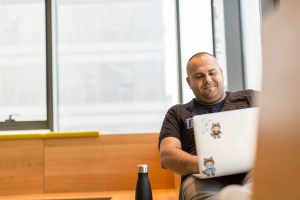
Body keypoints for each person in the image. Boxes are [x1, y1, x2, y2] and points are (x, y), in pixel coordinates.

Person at [158, 52, 259, 200]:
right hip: (203, 177)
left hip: (251, 170)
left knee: (270, 182)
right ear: (189, 82)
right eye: (199, 76)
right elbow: (167, 156)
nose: (207, 80)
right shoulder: (177, 113)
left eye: (212, 73)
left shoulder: (250, 98)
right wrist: (211, 165)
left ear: (221, 73)